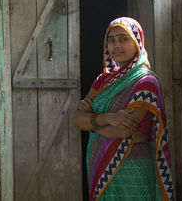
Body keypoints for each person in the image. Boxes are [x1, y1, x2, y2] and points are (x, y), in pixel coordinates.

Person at [73, 17, 173, 201]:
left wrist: (92, 124)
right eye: (111, 40)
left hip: (132, 164)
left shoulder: (145, 81)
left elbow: (122, 130)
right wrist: (108, 119)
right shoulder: (102, 80)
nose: (116, 45)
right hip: (98, 162)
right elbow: (77, 119)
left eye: (123, 39)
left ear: (137, 42)